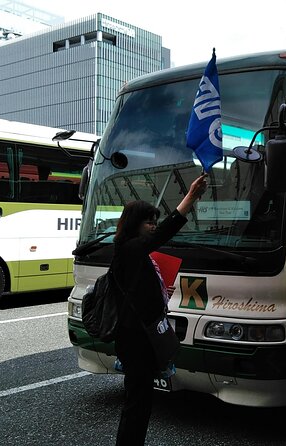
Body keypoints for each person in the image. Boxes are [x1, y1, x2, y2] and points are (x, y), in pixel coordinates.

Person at [112, 173, 207, 446]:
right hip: (135, 338)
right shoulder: (128, 248)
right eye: (148, 222)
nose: (153, 226)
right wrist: (189, 198)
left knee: (141, 400)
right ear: (135, 224)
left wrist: (159, 294)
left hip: (140, 335)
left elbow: (137, 289)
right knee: (137, 402)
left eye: (154, 221)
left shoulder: (133, 252)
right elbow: (165, 232)